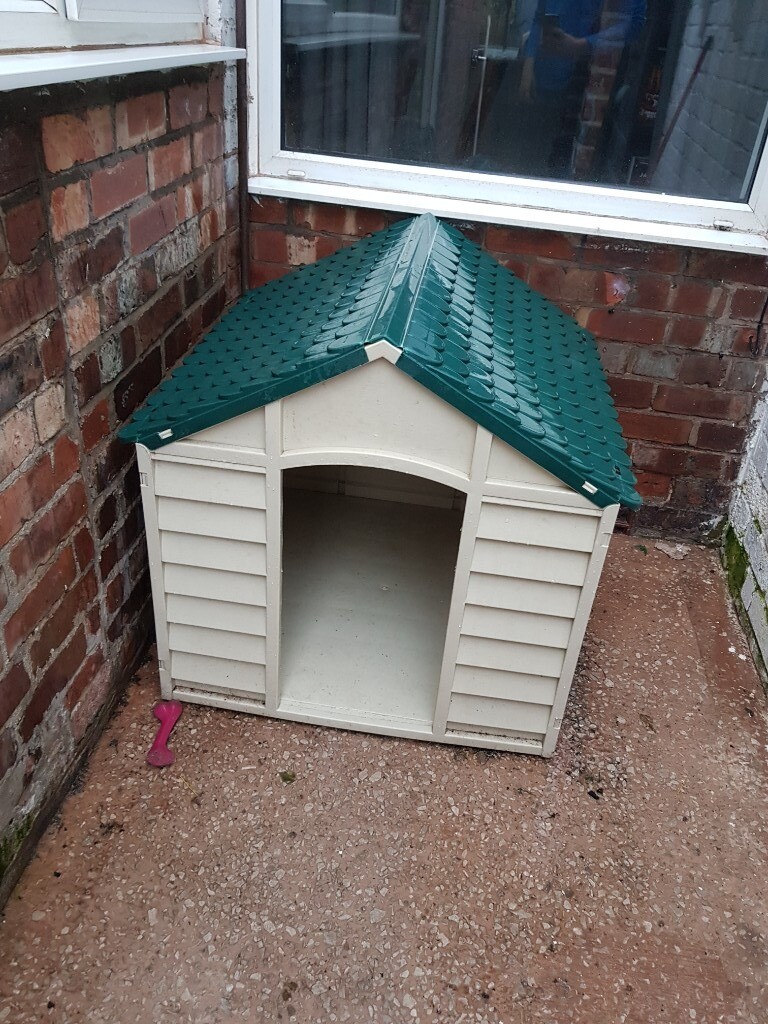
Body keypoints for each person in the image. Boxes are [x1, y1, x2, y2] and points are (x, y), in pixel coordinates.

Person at [514, 0, 646, 177]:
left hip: (591, 85)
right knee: (533, 158)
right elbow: (541, 16)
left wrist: (583, 45)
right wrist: (528, 67)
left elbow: (634, 25)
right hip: (547, 77)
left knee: (572, 162)